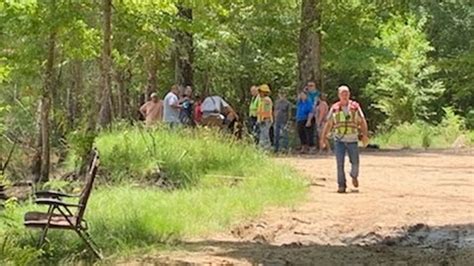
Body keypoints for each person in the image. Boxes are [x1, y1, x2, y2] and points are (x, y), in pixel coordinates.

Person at [320, 85, 369, 193]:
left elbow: (362, 121)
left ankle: (354, 175)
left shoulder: (355, 107)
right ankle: (341, 185)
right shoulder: (334, 108)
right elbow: (328, 124)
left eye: (346, 93)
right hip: (339, 140)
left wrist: (365, 135)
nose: (345, 96)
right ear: (339, 95)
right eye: (342, 93)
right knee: (339, 163)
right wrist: (323, 138)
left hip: (352, 140)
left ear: (349, 95)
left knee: (355, 162)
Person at [257, 84, 273, 150]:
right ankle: (263, 148)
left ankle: (266, 148)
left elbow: (266, 111)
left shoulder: (266, 100)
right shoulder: (262, 100)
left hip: (266, 120)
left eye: (260, 91)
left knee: (265, 135)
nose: (259, 93)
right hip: (263, 120)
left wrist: (263, 119)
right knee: (263, 134)